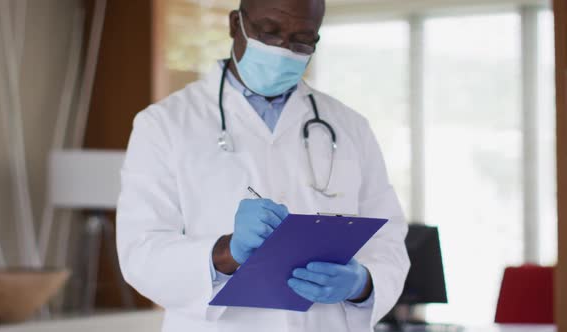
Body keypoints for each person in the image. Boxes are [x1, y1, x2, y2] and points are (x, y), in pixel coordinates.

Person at [116, 0, 410, 331]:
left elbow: (388, 240)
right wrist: (227, 252)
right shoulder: (164, 124)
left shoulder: (350, 126)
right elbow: (140, 253)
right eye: (268, 33)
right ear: (234, 24)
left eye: (302, 40)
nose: (283, 50)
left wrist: (362, 283)